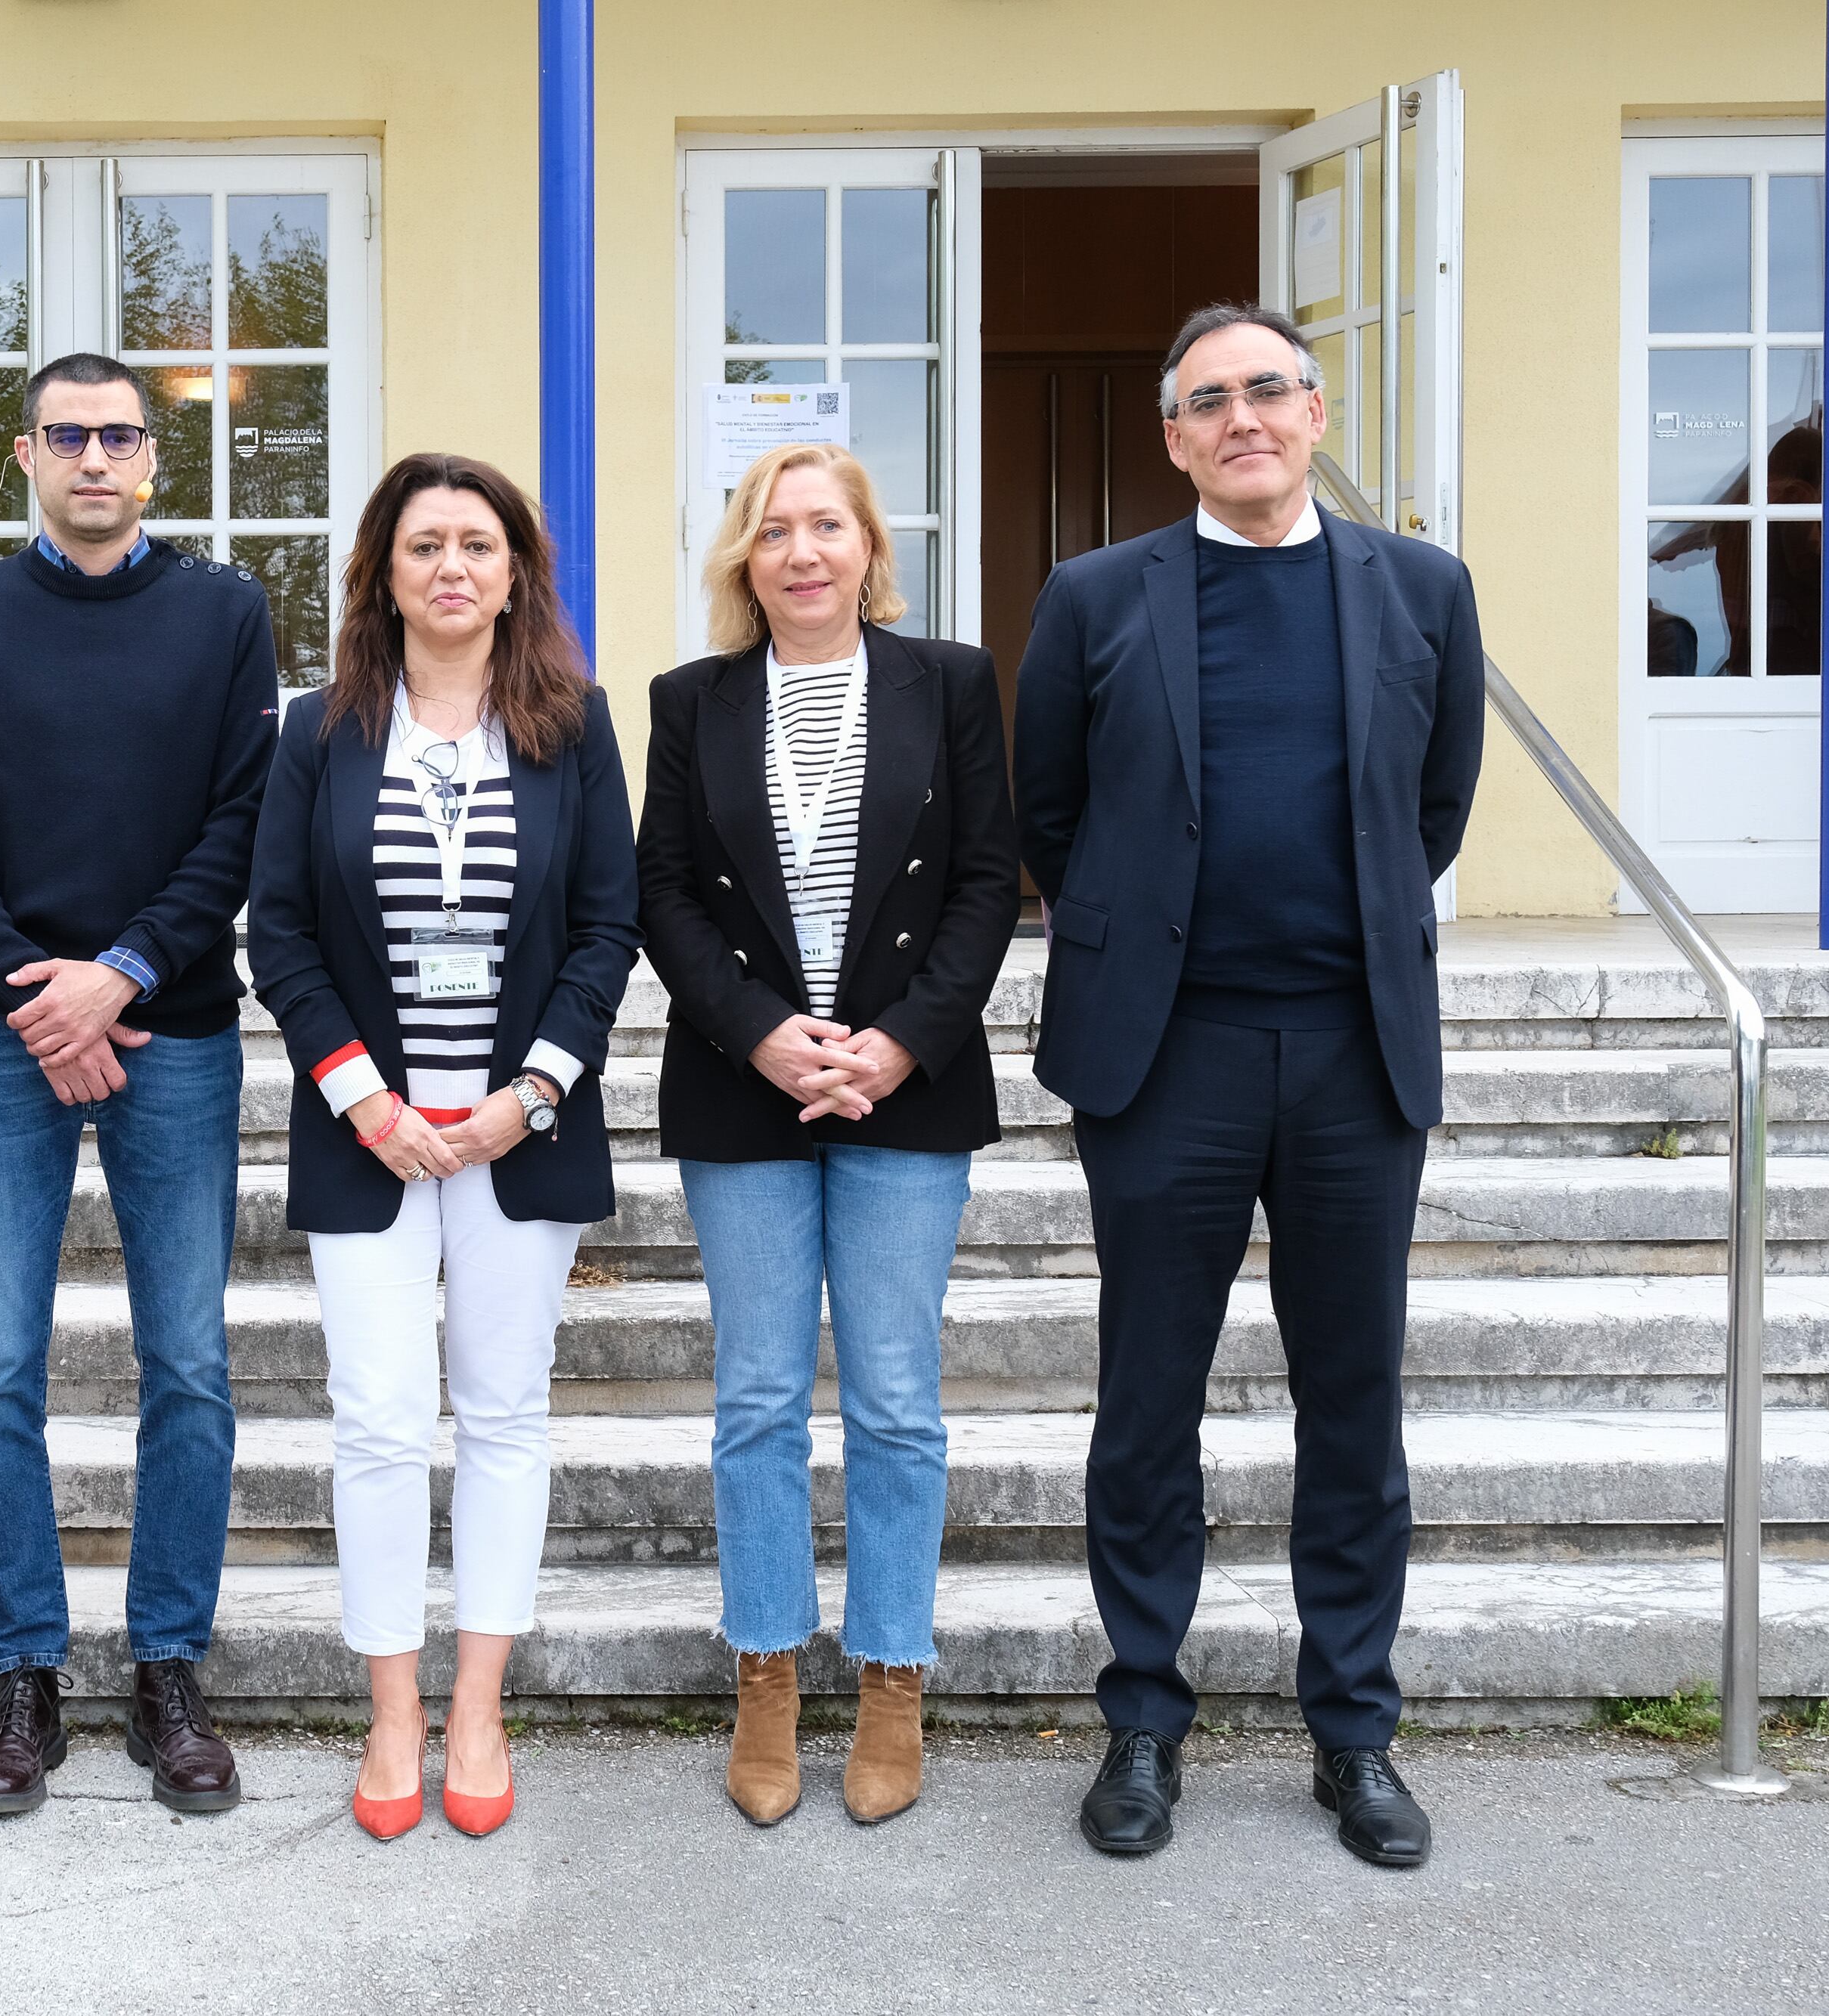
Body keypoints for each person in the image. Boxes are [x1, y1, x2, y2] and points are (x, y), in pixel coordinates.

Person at [1013, 301, 1485, 1869]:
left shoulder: (1418, 586)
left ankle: (1351, 1729)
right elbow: (1049, 812)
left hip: (1353, 1051)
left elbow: (1434, 805)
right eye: (1208, 400)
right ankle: (1142, 1716)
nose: (1244, 420)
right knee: (1145, 1400)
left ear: (1314, 406)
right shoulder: (1092, 598)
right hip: (1166, 1059)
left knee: (1351, 1401)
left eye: (1268, 391)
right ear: (1172, 436)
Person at [0, 352, 281, 1817]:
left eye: (122, 435)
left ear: (153, 460)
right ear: (25, 455)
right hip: (0, 1040)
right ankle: (24, 1678)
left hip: (169, 1029)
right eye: (70, 436)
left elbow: (239, 823)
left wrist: (114, 973)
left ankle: (167, 1668)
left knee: (187, 1363)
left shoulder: (223, 615)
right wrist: (30, 991)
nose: (97, 458)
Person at [249, 452, 641, 1841]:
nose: (453, 568)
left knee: (505, 1417)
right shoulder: (319, 732)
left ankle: (479, 1705)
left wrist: (523, 1097)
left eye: (479, 544)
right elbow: (281, 934)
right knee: (376, 1421)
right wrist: (366, 1098)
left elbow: (606, 930)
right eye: (426, 545)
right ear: (385, 572)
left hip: (514, 1133)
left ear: (515, 572)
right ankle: (394, 1713)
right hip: (372, 1133)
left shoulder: (573, 727)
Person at [636, 441, 1018, 1829]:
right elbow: (663, 891)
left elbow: (988, 879)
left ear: (869, 548)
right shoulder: (692, 702)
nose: (802, 552)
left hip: (906, 1087)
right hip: (748, 1086)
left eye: (827, 527)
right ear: (745, 558)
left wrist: (899, 1041)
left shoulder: (953, 683)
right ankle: (766, 1680)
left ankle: (893, 1678)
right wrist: (762, 1033)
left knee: (898, 1404)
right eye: (774, 530)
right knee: (754, 1403)